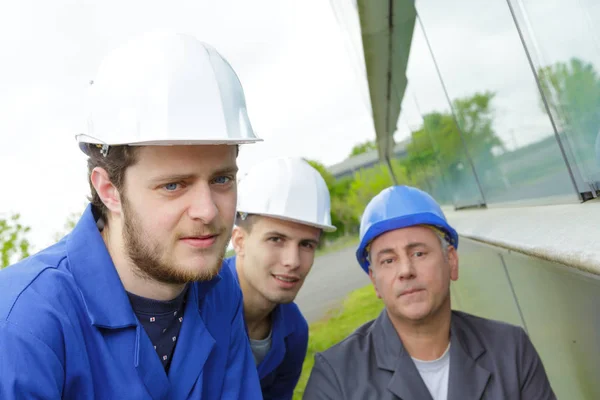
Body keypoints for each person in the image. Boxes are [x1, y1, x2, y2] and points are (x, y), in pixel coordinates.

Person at [0, 32, 264, 399]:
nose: (207, 211)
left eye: (222, 179)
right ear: (109, 190)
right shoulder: (23, 321)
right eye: (173, 186)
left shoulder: (219, 293)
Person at [303, 185, 556, 400]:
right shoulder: (335, 377)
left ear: (451, 261)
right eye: (388, 261)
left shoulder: (510, 349)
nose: (406, 270)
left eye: (418, 253)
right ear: (374, 281)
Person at [223, 157, 336, 399]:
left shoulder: (295, 331)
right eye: (276, 239)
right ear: (239, 241)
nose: (293, 261)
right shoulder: (191, 304)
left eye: (306, 244)